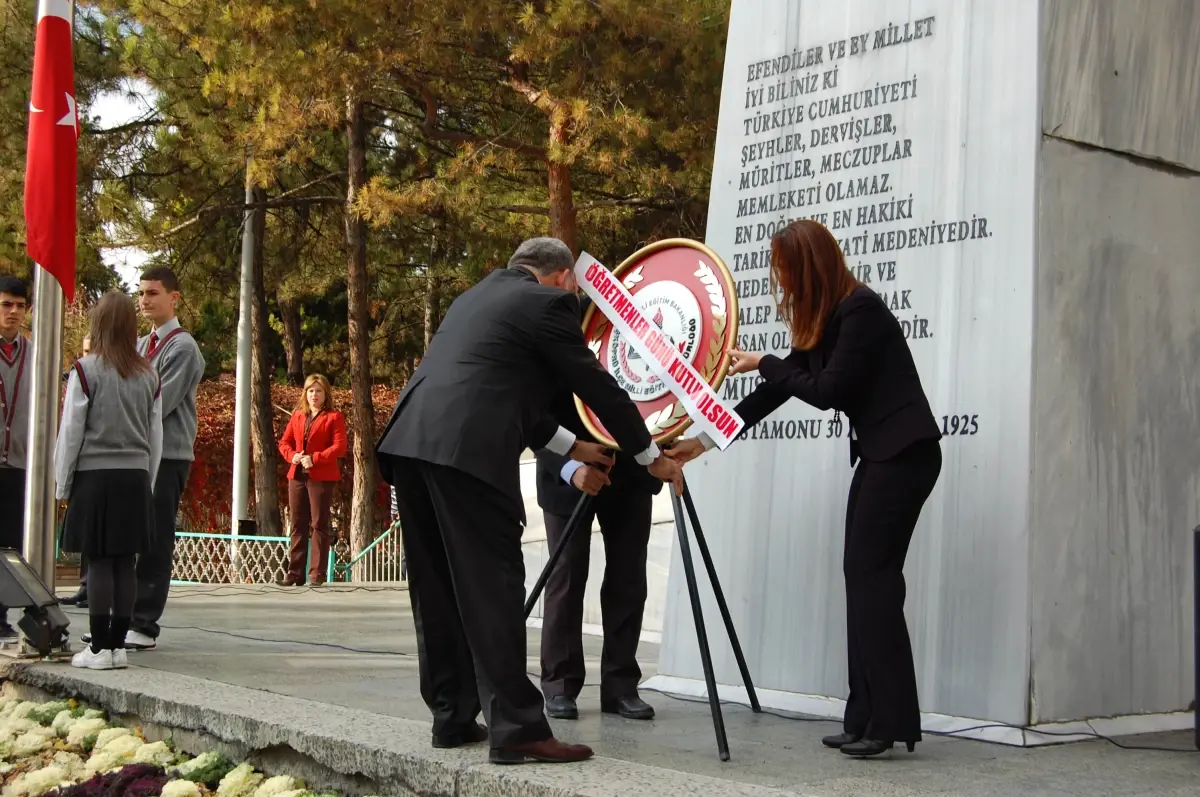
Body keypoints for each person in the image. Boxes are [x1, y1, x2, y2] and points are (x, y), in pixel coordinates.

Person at [375, 237, 683, 765]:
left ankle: (451, 717)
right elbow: (599, 387)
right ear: (563, 277)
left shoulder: (474, 298)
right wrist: (649, 454)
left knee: (438, 590)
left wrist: (571, 444)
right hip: (465, 455)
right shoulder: (550, 303)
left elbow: (504, 391)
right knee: (492, 587)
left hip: (409, 445)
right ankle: (517, 728)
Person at [668, 219, 942, 758]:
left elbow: (827, 391)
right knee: (864, 578)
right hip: (884, 455)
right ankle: (865, 716)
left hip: (904, 455)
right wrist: (700, 442)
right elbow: (772, 395)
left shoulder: (860, 310)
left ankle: (887, 721)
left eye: (786, 271)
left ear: (809, 267)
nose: (782, 282)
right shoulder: (832, 319)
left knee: (874, 581)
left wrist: (766, 362)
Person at [534, 295, 662, 722]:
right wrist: (569, 466)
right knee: (567, 577)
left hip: (631, 470)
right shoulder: (563, 326)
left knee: (628, 578)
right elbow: (533, 412)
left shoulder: (644, 327)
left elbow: (658, 398)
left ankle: (621, 686)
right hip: (569, 470)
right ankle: (560, 685)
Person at [55, 291, 162, 671]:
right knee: (124, 563)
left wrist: (61, 482)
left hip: (96, 476)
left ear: (98, 324)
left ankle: (98, 647)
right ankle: (117, 647)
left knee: (98, 560)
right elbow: (155, 434)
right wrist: (146, 480)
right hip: (134, 477)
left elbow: (71, 431)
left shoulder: (85, 369)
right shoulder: (148, 373)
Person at [128, 267, 205, 650]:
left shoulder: (183, 347)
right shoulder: (141, 345)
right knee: (134, 534)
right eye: (141, 293)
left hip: (169, 454)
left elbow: (160, 402)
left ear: (173, 298)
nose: (145, 300)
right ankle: (122, 617)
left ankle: (144, 623)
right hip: (140, 453)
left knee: (156, 537)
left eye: (153, 293)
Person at [277, 373, 347, 586]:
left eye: (318, 391)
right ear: (305, 394)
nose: (314, 395)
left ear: (326, 394)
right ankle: (295, 573)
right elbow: (284, 443)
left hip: (321, 477)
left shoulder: (334, 417)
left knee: (319, 524)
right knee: (297, 523)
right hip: (297, 476)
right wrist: (293, 456)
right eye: (310, 390)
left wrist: (314, 459)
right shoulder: (298, 415)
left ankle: (316, 574)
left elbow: (340, 447)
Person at [0, 276, 31, 639]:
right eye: (6, 304)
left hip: (21, 463)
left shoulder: (35, 354)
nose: (13, 312)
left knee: (10, 544)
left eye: (20, 306)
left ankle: (2, 614)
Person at [61, 335, 92, 609]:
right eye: (84, 351)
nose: (87, 355)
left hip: (98, 467)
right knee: (87, 536)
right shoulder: (78, 376)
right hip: (83, 466)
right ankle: (86, 586)